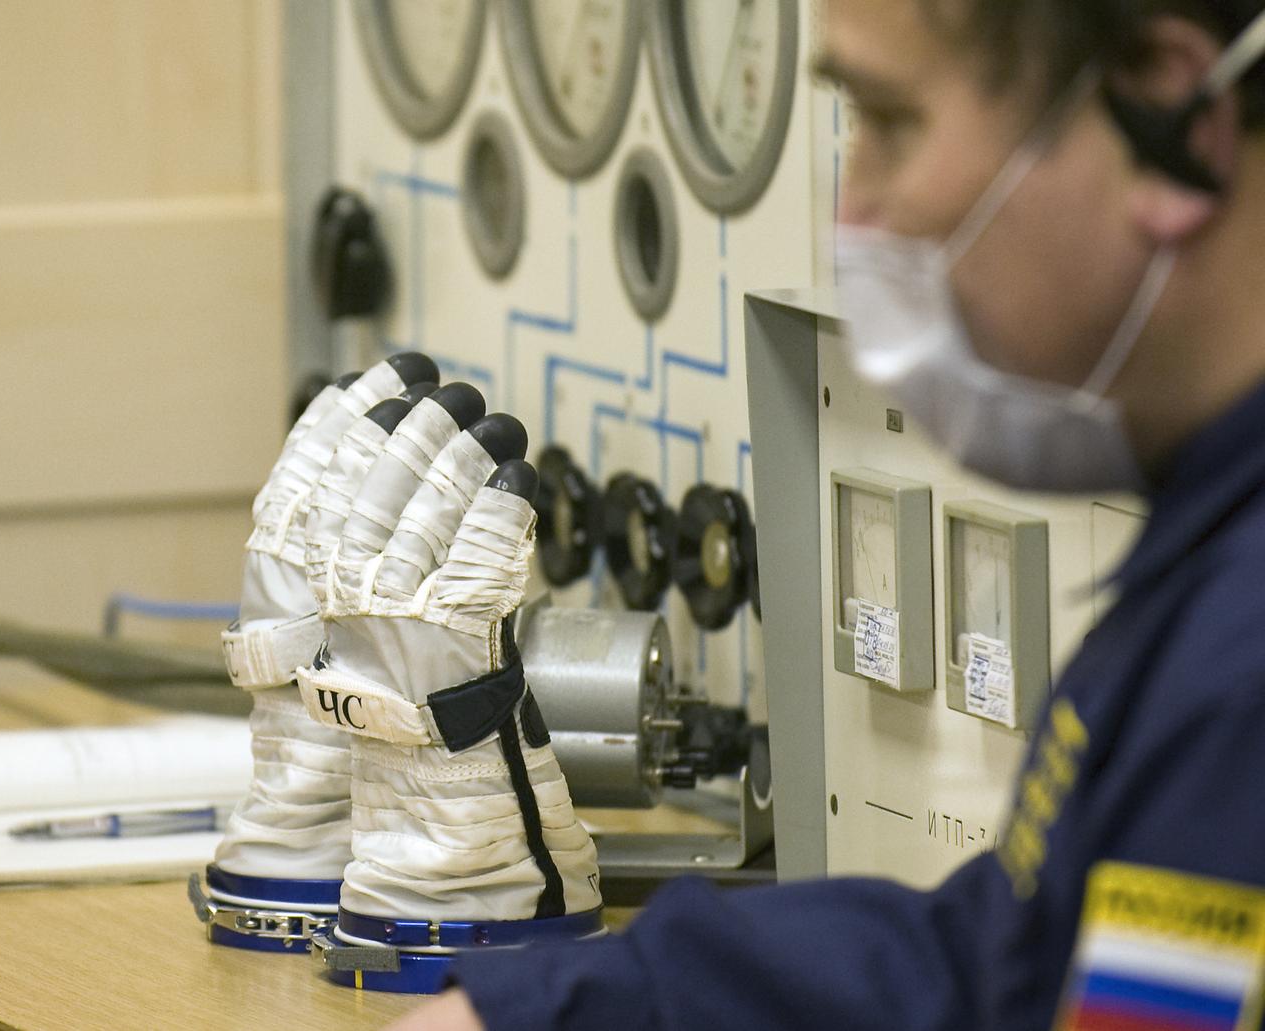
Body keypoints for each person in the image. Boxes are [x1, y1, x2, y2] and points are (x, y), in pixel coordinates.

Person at [395, 0, 1265, 1026]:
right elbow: (1001, 964)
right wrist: (547, 1008)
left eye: (887, 122)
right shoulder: (1210, 564)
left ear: (1169, 111)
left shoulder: (1239, 671)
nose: (853, 217)